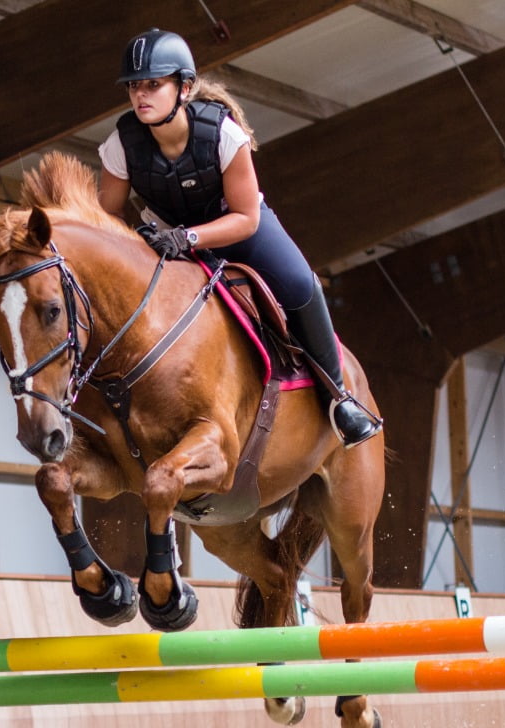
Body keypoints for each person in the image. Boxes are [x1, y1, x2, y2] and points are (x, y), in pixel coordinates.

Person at [98, 28, 382, 447]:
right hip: (169, 243)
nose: (141, 95)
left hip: (238, 231)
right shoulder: (120, 144)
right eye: (134, 87)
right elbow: (105, 216)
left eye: (154, 85)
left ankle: (339, 397)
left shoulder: (224, 135)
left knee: (302, 284)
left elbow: (247, 218)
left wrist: (189, 237)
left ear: (185, 87)